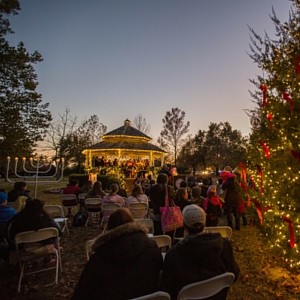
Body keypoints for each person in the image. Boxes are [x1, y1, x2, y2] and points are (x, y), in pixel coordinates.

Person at [72, 208, 163, 300]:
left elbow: (82, 291)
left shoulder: (99, 257)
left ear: (110, 228)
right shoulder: (152, 248)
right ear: (132, 222)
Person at [161, 204, 240, 300]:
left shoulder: (174, 254)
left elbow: (167, 288)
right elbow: (234, 272)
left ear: (184, 225)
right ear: (204, 223)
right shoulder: (224, 244)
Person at [221, 166, 240, 230]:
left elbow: (223, 187)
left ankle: (230, 225)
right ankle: (238, 226)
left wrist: (223, 183)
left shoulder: (228, 179)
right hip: (236, 197)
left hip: (229, 198)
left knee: (229, 212)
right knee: (236, 212)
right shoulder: (235, 179)